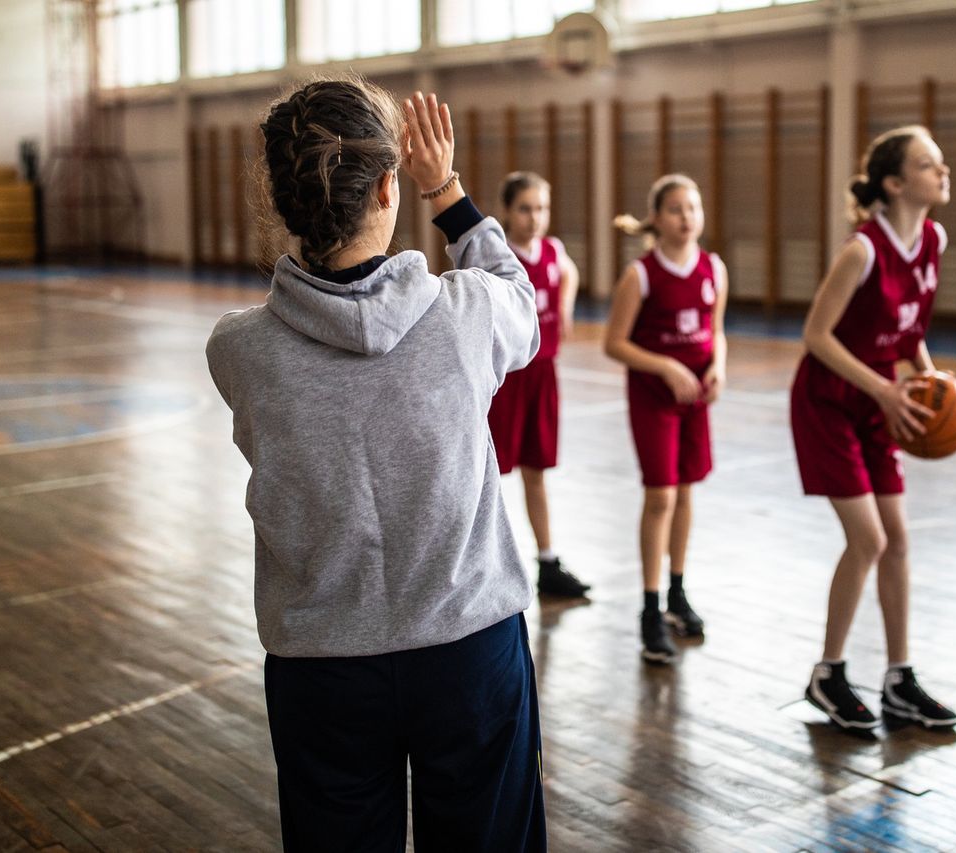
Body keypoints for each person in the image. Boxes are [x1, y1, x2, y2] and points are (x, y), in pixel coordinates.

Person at [205, 79, 547, 850]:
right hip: (469, 650)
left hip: (321, 670)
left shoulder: (237, 349)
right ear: (390, 186)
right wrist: (448, 189)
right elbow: (523, 298)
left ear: (285, 199)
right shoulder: (469, 314)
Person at [791, 124, 956, 732]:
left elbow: (910, 333)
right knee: (869, 540)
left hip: (878, 402)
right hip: (830, 401)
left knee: (899, 540)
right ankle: (828, 673)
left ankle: (899, 679)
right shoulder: (863, 249)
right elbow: (816, 337)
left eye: (940, 164)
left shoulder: (933, 240)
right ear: (894, 183)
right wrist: (888, 387)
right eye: (928, 165)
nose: (943, 173)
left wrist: (934, 387)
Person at [603, 174, 728, 664]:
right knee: (661, 496)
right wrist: (667, 366)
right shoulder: (642, 274)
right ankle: (649, 609)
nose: (687, 217)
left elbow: (717, 332)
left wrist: (718, 365)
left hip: (695, 396)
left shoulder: (713, 268)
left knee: (687, 491)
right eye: (676, 209)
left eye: (693, 207)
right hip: (655, 396)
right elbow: (614, 342)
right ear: (657, 219)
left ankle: (677, 592)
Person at [489, 171, 590, 597]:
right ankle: (485, 564)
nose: (535, 218)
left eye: (542, 208)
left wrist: (565, 305)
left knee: (537, 472)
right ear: (508, 212)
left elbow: (569, 272)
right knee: (490, 473)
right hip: (506, 377)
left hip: (543, 373)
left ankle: (547, 562)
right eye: (526, 209)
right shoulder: (497, 257)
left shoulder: (553, 250)